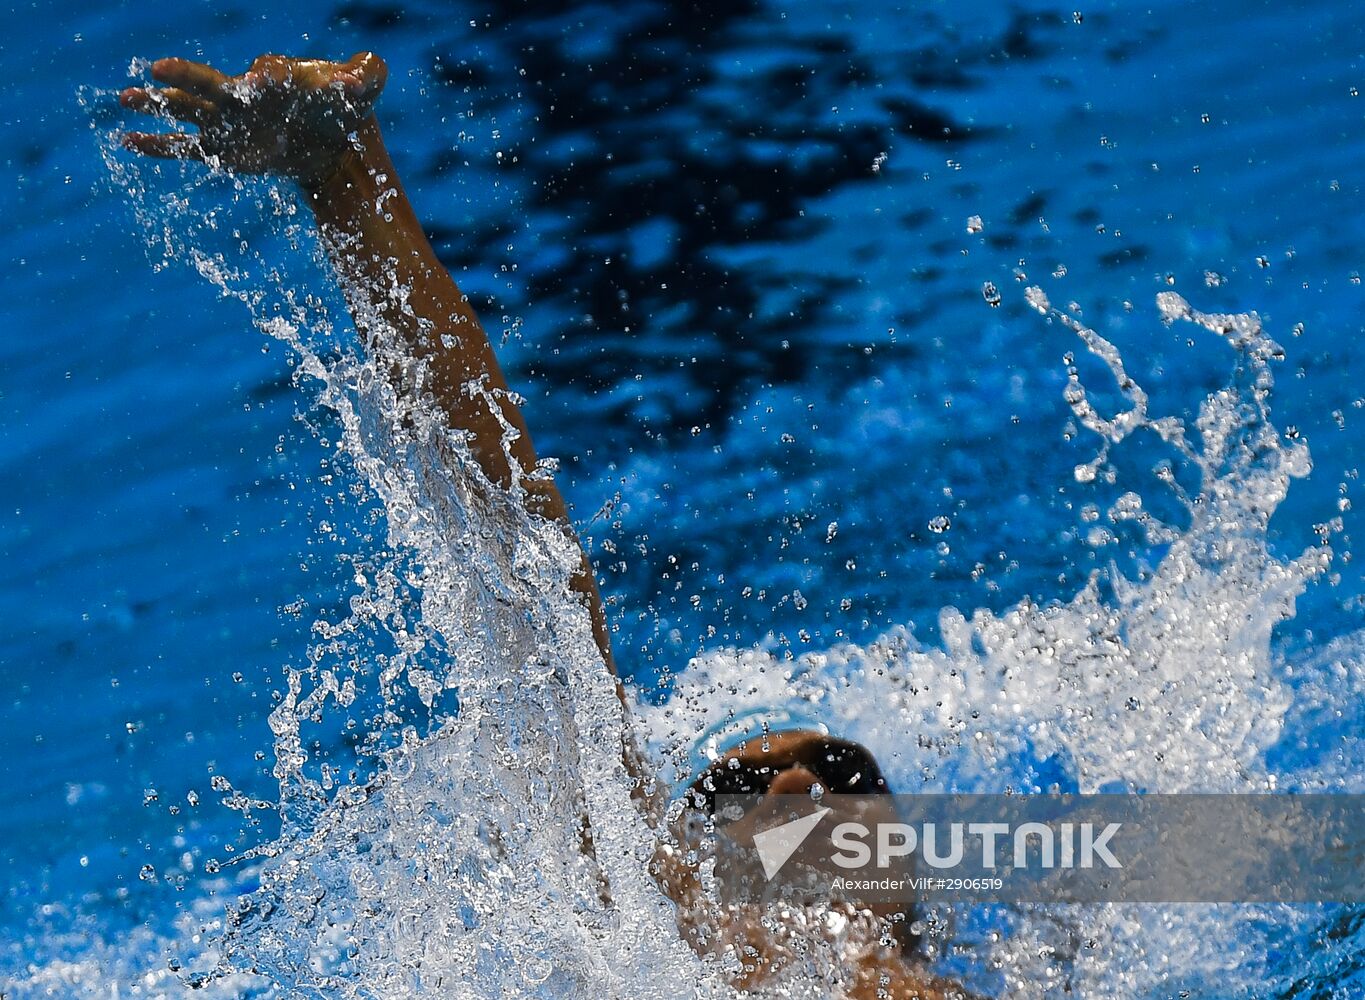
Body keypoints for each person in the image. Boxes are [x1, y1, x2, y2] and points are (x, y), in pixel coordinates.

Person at [120, 52, 971, 999]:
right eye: (756, 798)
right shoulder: (674, 936)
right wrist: (344, 182)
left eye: (848, 787)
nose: (805, 801)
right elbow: (521, 561)